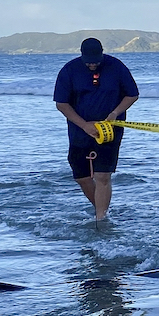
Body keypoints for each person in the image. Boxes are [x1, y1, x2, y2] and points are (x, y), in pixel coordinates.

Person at [54, 37, 139, 220]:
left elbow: (132, 95)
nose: (93, 65)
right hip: (80, 129)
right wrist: (84, 125)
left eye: (96, 61)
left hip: (110, 128)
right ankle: (101, 208)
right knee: (82, 177)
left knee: (102, 176)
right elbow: (61, 103)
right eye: (89, 62)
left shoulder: (116, 67)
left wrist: (115, 113)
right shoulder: (69, 70)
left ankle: (101, 218)